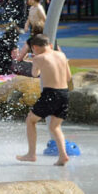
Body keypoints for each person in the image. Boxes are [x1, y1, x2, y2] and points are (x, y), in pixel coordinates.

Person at [18, 33, 72, 166]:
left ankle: (31, 154)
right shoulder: (61, 55)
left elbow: (34, 74)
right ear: (50, 45)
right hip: (64, 93)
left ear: (35, 47)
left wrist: (35, 62)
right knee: (55, 126)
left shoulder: (39, 58)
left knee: (30, 120)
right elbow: (69, 77)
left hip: (50, 94)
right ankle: (63, 155)